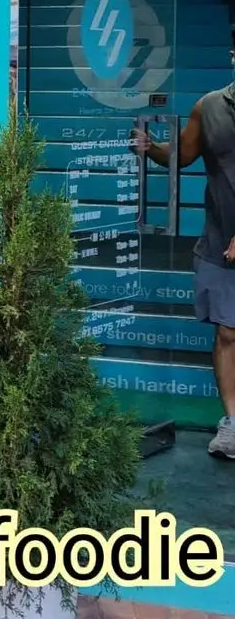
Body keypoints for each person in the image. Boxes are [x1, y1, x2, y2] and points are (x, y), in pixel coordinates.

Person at [133, 40, 235, 459]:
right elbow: (184, 155)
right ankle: (233, 424)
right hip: (219, 244)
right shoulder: (208, 107)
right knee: (228, 332)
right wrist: (151, 148)